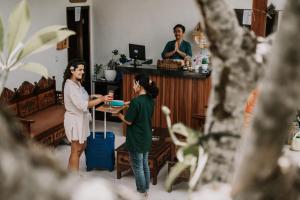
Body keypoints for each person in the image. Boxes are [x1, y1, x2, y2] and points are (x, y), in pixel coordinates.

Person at [62, 59, 112, 171]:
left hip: (82, 119)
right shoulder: (70, 86)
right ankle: (73, 178)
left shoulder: (78, 83)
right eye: (80, 69)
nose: (82, 72)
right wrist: (101, 99)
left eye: (83, 70)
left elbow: (85, 97)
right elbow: (82, 105)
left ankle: (70, 172)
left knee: (83, 146)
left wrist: (94, 96)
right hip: (74, 121)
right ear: (72, 70)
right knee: (76, 149)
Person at [116, 73, 159, 197]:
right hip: (146, 136)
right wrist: (131, 105)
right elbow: (141, 111)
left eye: (134, 83)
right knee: (144, 163)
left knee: (137, 167)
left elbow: (128, 121)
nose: (132, 86)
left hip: (136, 138)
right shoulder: (151, 100)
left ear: (139, 85)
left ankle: (142, 192)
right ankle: (145, 189)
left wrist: (118, 114)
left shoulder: (136, 102)